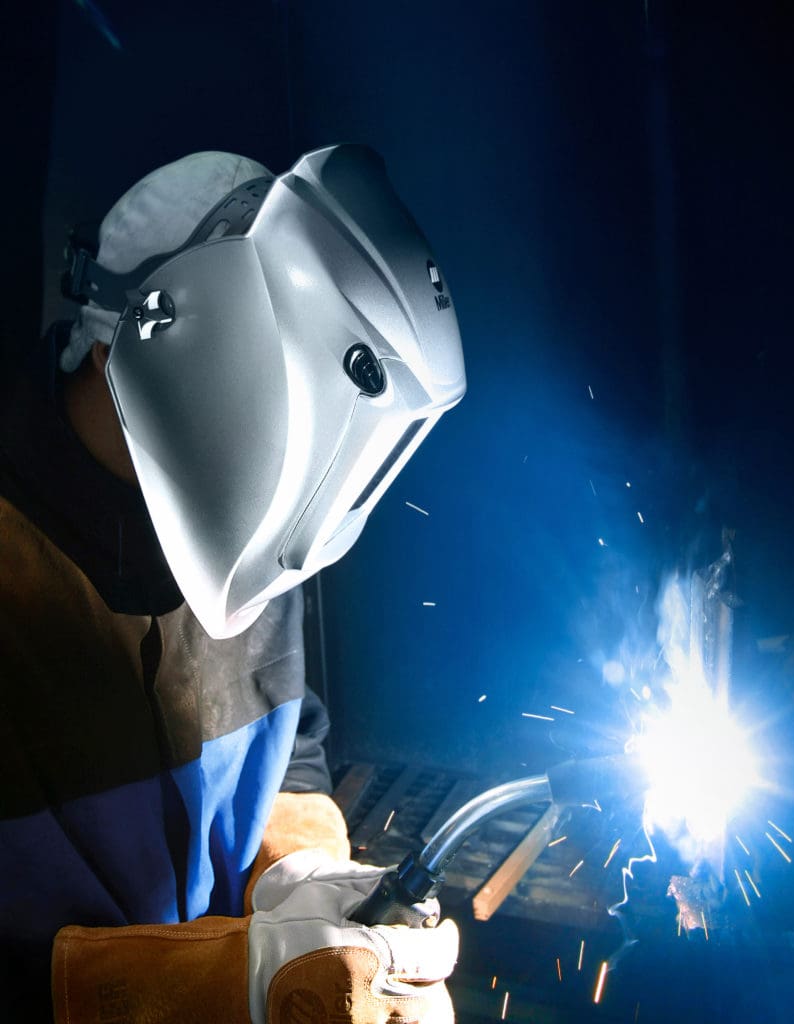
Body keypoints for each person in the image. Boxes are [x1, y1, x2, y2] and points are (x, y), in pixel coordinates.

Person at [0, 146, 466, 1022]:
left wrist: (302, 876)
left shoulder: (244, 529)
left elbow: (285, 741)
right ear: (122, 354)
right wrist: (210, 988)